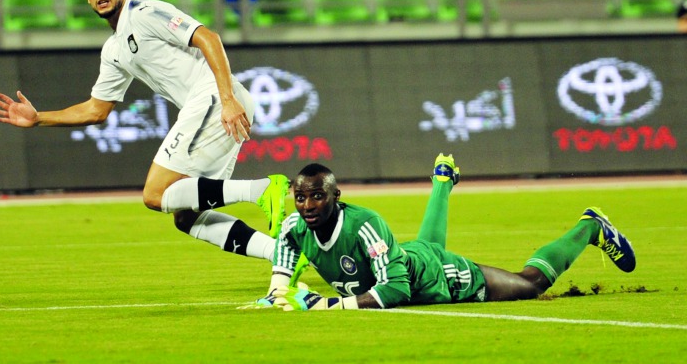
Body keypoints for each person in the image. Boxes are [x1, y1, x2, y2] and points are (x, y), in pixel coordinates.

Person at [0, 0, 289, 262]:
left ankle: (262, 190)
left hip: (215, 97)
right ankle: (279, 253)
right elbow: (96, 110)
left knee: (155, 194)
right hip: (215, 103)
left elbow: (208, 38)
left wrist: (227, 99)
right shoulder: (114, 49)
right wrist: (39, 118)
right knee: (186, 217)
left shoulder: (145, 13)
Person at [253, 154, 637, 310]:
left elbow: (396, 290)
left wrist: (333, 305)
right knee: (423, 248)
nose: (307, 206)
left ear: (336, 196)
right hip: (411, 260)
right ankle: (442, 182)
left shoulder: (364, 224)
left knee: (531, 284)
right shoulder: (294, 227)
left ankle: (589, 227)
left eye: (317, 197)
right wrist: (275, 293)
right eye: (300, 198)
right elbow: (285, 258)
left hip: (441, 279)